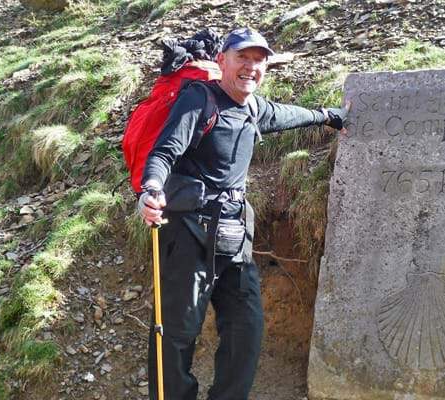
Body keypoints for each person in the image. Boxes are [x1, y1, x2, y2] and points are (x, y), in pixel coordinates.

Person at [138, 27, 349, 400]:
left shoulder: (253, 108)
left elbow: (288, 115)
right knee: (177, 334)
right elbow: (164, 152)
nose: (251, 67)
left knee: (246, 331)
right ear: (222, 61)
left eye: (258, 60)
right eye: (242, 58)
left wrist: (328, 116)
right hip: (187, 233)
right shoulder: (198, 100)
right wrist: (151, 189)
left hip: (234, 236)